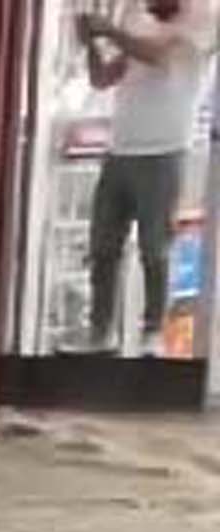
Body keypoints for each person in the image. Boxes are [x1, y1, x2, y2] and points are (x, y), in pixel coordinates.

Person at [78, 0, 216, 353]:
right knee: (104, 246)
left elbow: (159, 57)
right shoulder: (137, 20)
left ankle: (153, 331)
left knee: (155, 248)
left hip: (164, 149)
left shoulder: (202, 17)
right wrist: (91, 43)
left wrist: (109, 31)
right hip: (121, 147)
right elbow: (103, 78)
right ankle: (100, 330)